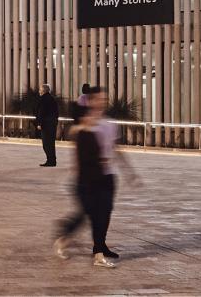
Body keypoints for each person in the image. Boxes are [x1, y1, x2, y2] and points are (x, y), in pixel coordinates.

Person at [55, 86, 135, 267]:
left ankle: (99, 250)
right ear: (90, 101)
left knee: (104, 214)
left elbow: (116, 149)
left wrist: (129, 172)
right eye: (99, 99)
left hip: (108, 176)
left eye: (104, 99)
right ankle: (65, 236)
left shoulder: (110, 124)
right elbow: (78, 151)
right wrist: (75, 171)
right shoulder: (83, 125)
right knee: (87, 213)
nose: (102, 102)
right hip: (87, 178)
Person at [35, 83, 60, 167]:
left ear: (43, 90)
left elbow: (41, 112)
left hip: (46, 124)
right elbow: (56, 113)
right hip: (52, 124)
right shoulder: (52, 99)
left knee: (46, 144)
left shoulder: (43, 99)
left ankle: (50, 161)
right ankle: (52, 161)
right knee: (51, 143)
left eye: (40, 89)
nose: (39, 91)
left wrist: (39, 123)